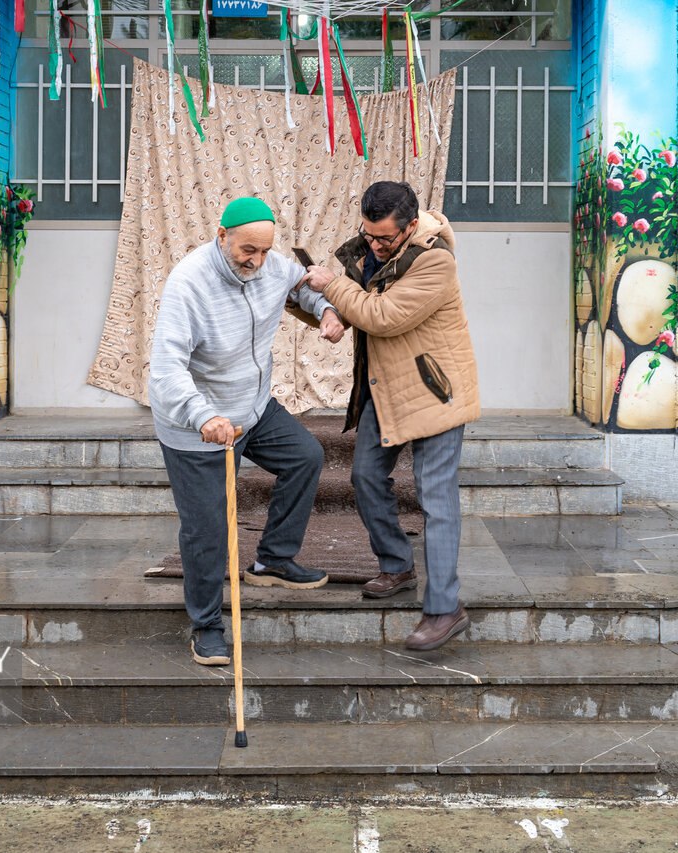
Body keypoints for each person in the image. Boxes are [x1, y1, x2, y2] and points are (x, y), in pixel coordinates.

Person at [149, 196, 346, 666]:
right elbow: (166, 368)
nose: (256, 262)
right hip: (198, 425)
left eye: (263, 250)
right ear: (221, 237)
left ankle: (273, 560)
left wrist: (326, 312)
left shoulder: (270, 265)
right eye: (246, 251)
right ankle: (206, 625)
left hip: (252, 410)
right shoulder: (189, 283)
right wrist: (203, 417)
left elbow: (300, 287)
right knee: (208, 529)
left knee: (305, 457)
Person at [301, 181, 480, 652]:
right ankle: (397, 563)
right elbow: (361, 304)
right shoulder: (372, 252)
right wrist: (334, 312)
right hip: (386, 388)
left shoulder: (436, 261)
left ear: (412, 226)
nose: (375, 245)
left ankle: (445, 608)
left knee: (435, 499)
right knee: (364, 476)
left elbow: (384, 316)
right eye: (369, 235)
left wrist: (335, 288)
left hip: (435, 391)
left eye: (385, 239)